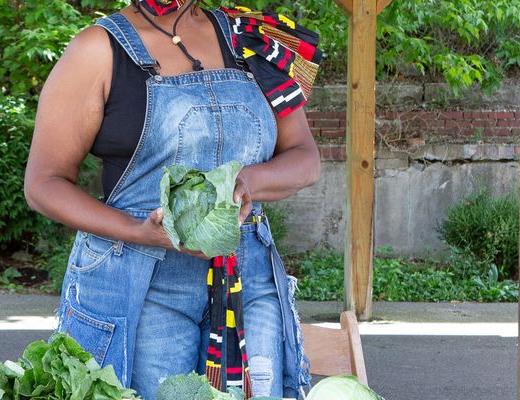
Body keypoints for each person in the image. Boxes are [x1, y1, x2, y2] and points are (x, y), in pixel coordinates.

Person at [24, 1, 321, 398]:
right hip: (140, 280)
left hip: (246, 277)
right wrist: (139, 230)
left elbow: (305, 158)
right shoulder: (95, 51)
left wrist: (247, 181)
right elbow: (43, 184)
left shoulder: (253, 38)